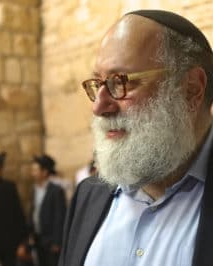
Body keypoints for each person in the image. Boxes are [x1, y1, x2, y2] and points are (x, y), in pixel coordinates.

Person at [58, 10, 213, 266]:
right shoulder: (88, 196)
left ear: (191, 90)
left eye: (121, 82)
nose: (98, 107)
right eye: (98, 83)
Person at [24, 155, 66, 266]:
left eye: (35, 170)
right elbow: (33, 212)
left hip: (50, 240)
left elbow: (59, 217)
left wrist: (57, 242)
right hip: (37, 239)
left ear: (44, 172)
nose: (32, 173)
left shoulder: (56, 191)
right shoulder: (34, 189)